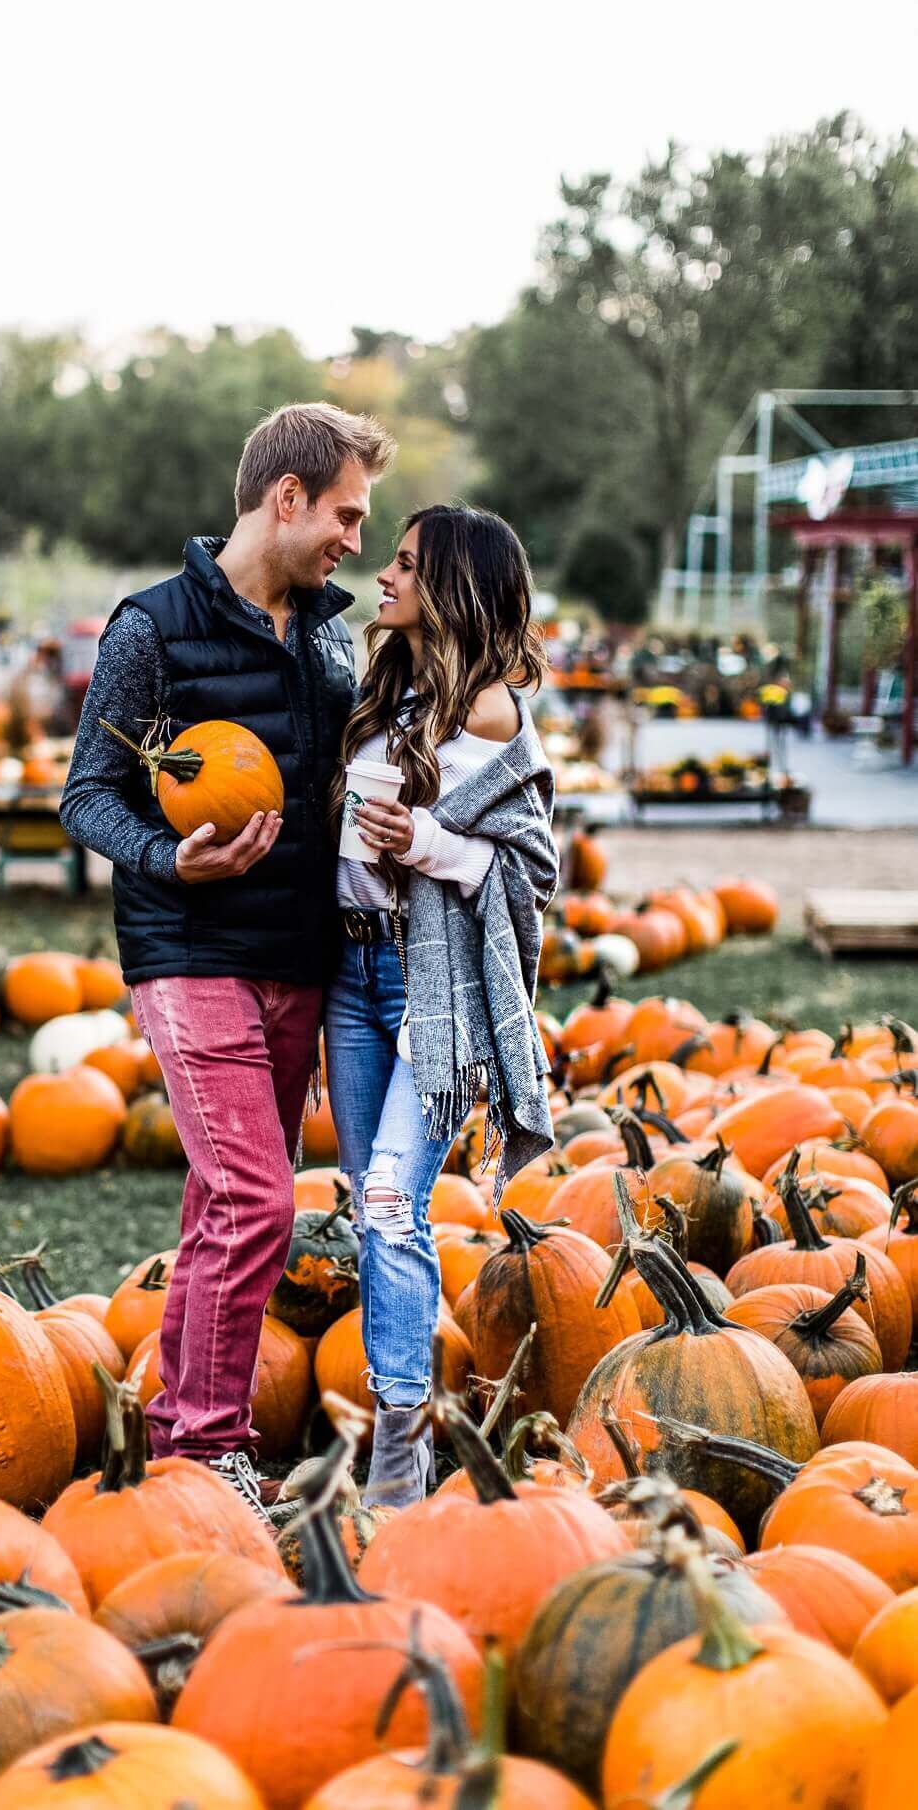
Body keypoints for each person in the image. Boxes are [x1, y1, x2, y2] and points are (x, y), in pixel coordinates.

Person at [59, 401, 396, 1513]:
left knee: (225, 1202)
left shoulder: (331, 637)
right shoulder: (149, 630)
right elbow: (85, 795)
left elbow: (348, 780)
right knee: (258, 1197)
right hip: (189, 948)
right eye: (345, 514)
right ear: (286, 498)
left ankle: (177, 1445)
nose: (354, 538)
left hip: (301, 956)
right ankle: (208, 1453)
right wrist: (167, 858)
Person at [324, 505, 559, 1508]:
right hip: (349, 974)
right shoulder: (390, 689)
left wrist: (419, 841)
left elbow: (528, 867)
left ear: (453, 586)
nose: (384, 574)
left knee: (387, 1203)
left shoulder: (493, 711)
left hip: (433, 993)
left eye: (405, 563)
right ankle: (402, 1422)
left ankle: (397, 1449)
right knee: (373, 1207)